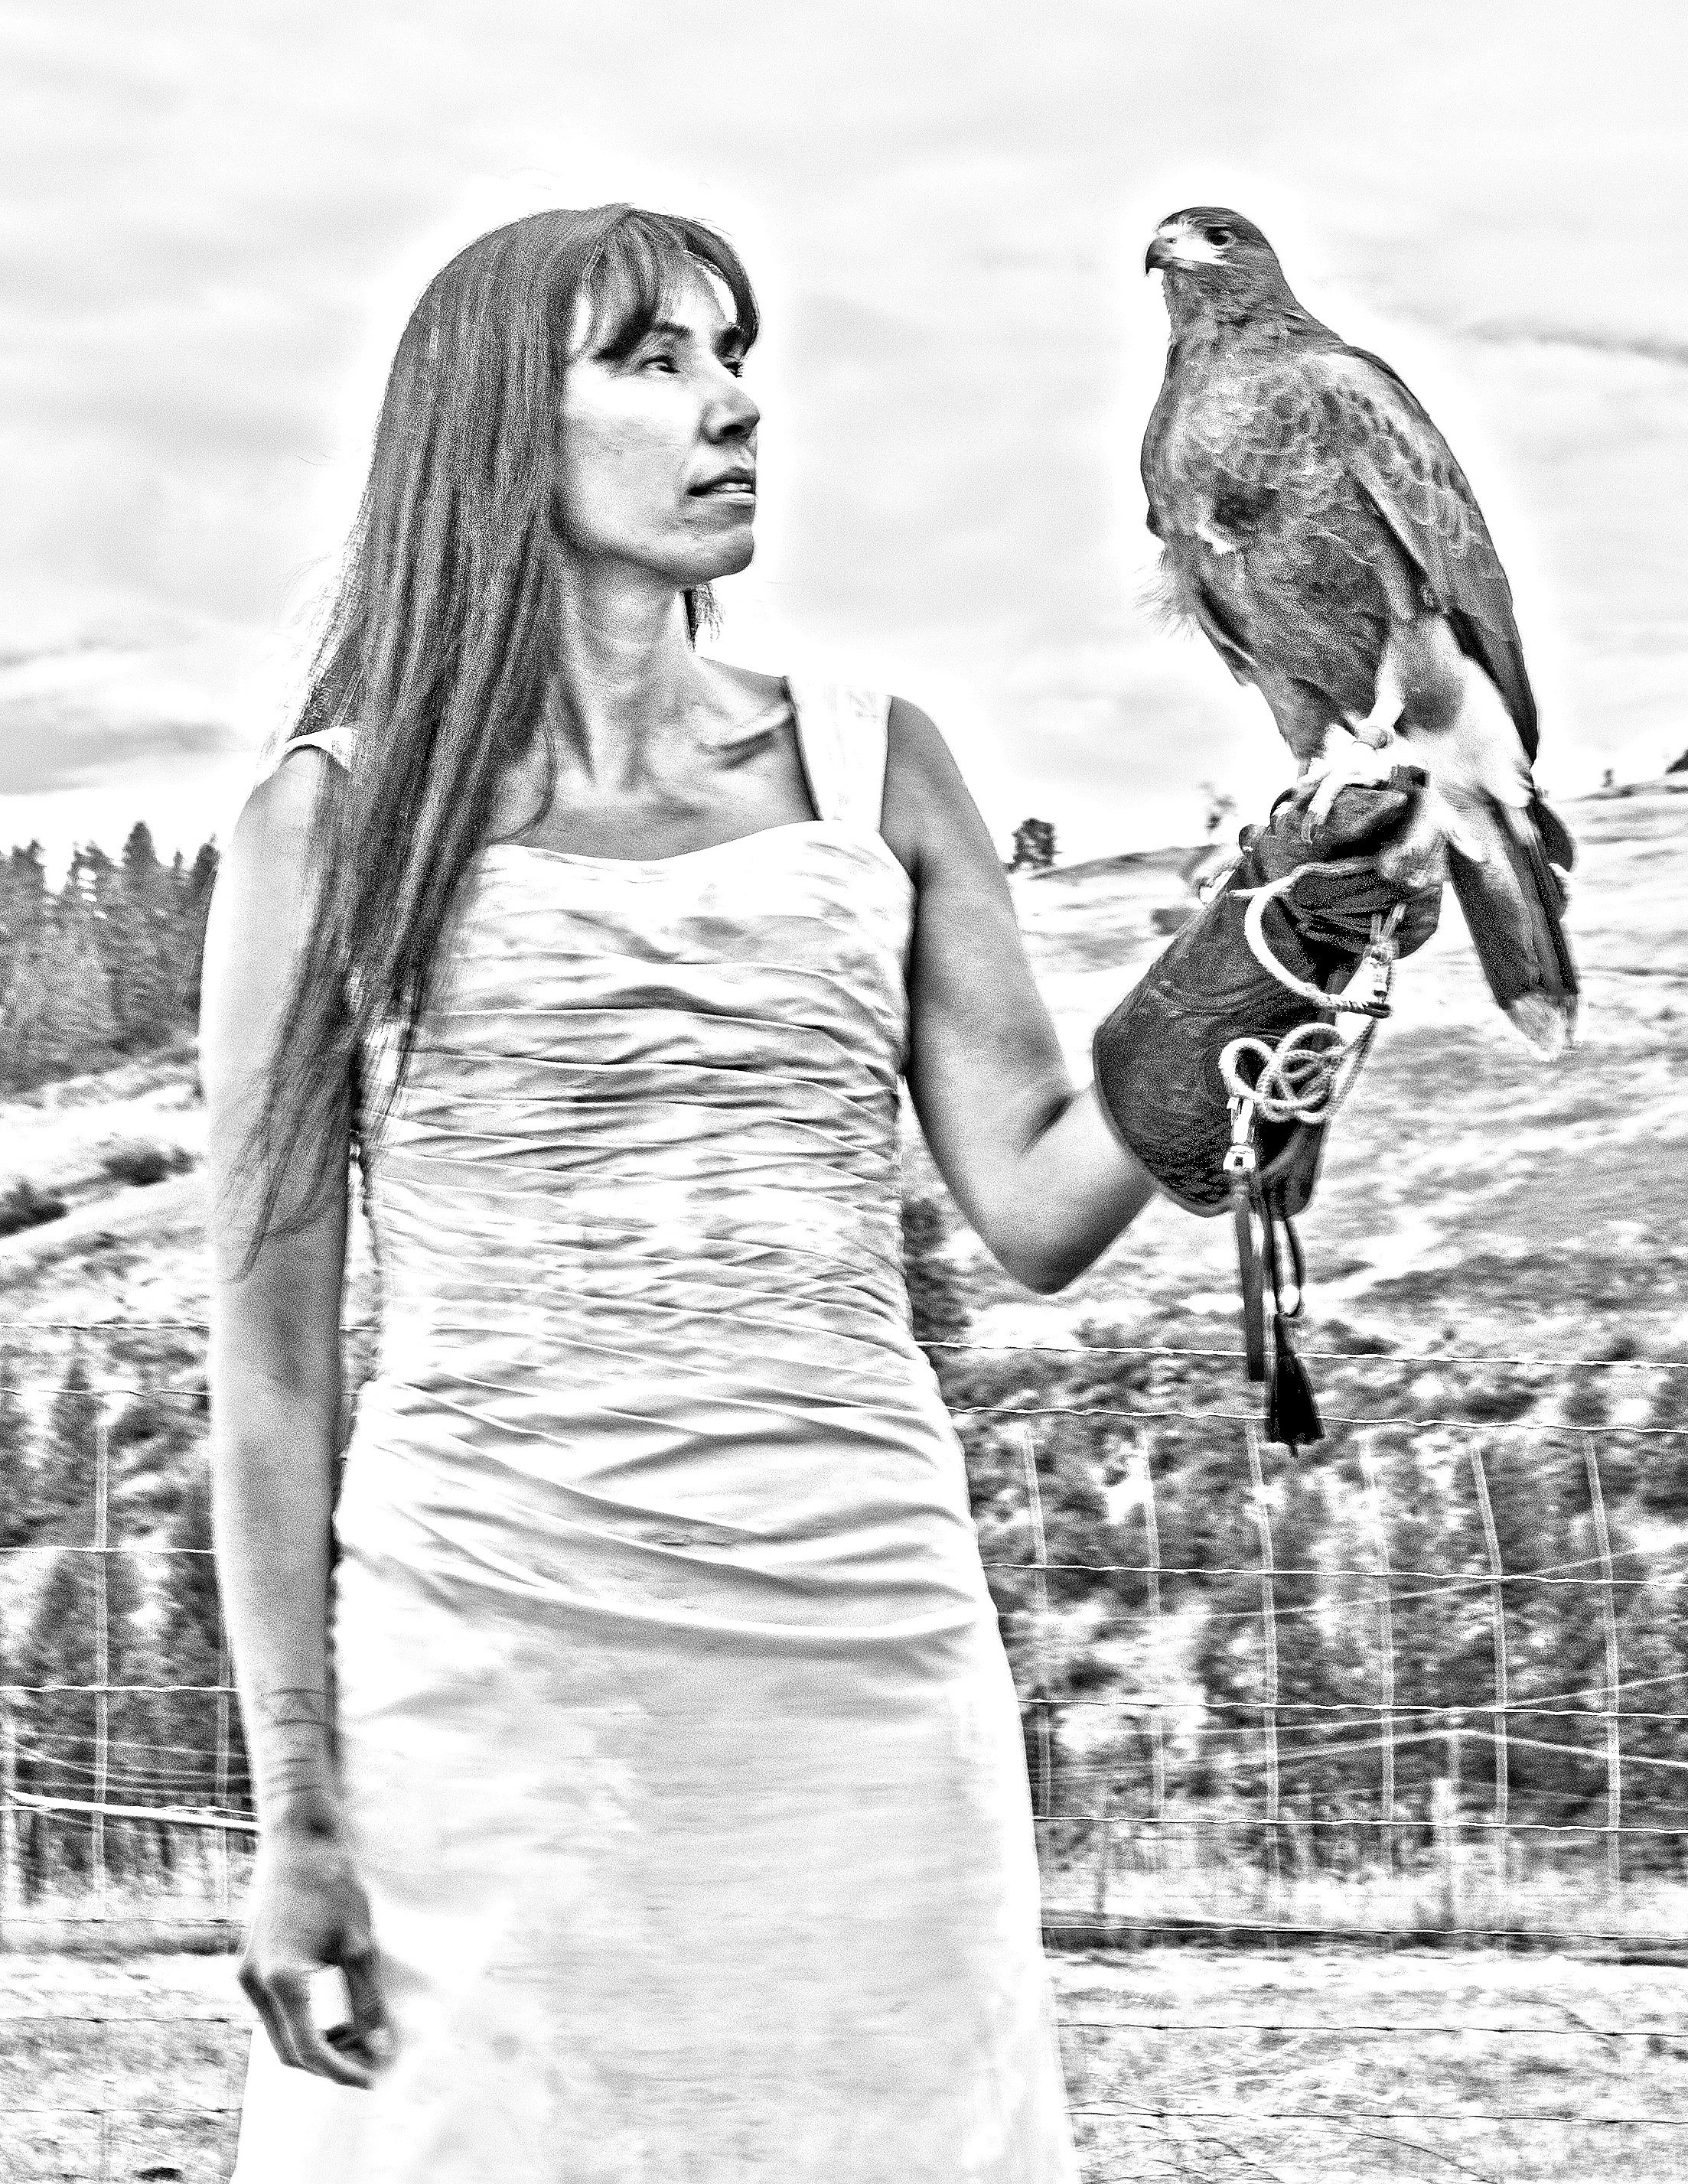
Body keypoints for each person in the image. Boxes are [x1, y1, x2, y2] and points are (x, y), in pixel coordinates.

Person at [204, 203, 1430, 2182]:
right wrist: (296, 1814)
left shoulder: (877, 765)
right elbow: (266, 1371)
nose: (733, 401)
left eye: (737, 351)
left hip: (866, 1653)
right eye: (656, 357)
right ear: (496, 425)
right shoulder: (334, 819)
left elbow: (1039, 1200)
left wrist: (1254, 948)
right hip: (489, 1669)